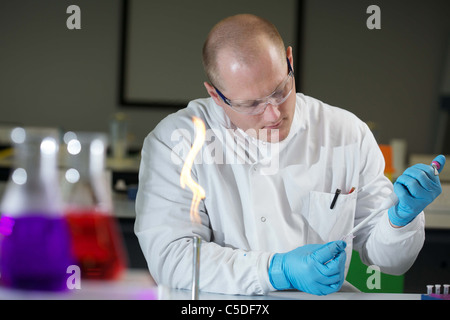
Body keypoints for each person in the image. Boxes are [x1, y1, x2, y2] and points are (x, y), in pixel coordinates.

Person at [134, 14, 444, 295]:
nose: (273, 114)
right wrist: (276, 270)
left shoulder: (346, 133)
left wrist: (400, 219)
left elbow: (387, 261)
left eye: (281, 90)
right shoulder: (178, 141)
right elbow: (171, 258)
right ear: (216, 95)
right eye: (251, 104)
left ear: (289, 60)